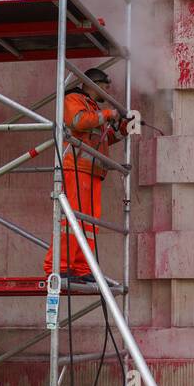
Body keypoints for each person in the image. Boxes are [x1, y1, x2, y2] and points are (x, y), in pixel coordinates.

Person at [45, 68, 121, 282]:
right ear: (92, 84)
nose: (106, 93)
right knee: (69, 221)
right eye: (104, 88)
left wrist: (122, 129)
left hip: (92, 172)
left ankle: (81, 268)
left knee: (87, 224)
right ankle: (59, 266)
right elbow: (77, 121)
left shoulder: (93, 107)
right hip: (75, 168)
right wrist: (107, 115)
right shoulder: (74, 98)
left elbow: (102, 138)